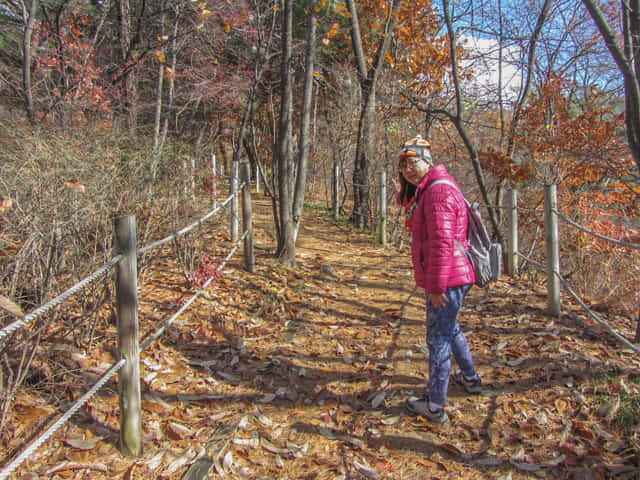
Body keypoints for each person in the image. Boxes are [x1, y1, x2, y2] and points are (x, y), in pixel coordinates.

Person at [396, 135, 482, 424]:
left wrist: (436, 287)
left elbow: (442, 244)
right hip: (453, 274)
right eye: (404, 165)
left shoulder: (437, 192)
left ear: (428, 161)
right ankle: (470, 378)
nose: (408, 168)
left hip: (448, 278)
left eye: (414, 161)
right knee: (449, 328)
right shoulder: (430, 189)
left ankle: (435, 406)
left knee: (438, 339)